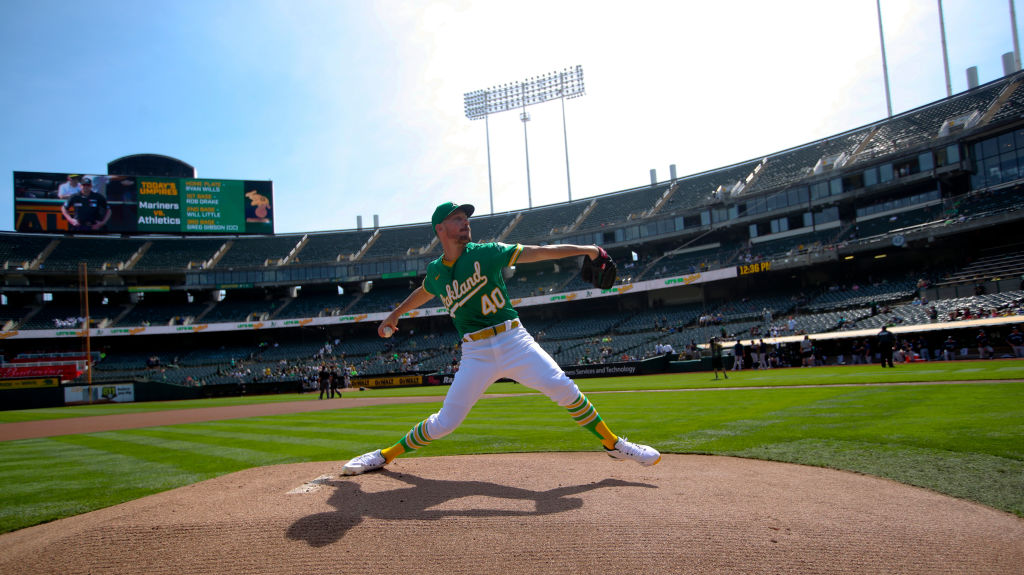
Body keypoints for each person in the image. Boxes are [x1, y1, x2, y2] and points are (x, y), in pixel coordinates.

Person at [341, 202, 660, 475]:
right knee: (445, 423)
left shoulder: (487, 253)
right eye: (457, 219)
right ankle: (384, 456)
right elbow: (424, 290)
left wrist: (588, 249)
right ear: (441, 229)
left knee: (564, 388)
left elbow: (538, 253)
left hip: (513, 341)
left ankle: (614, 444)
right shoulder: (437, 272)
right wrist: (395, 314)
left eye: (466, 218)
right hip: (476, 353)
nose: (465, 222)